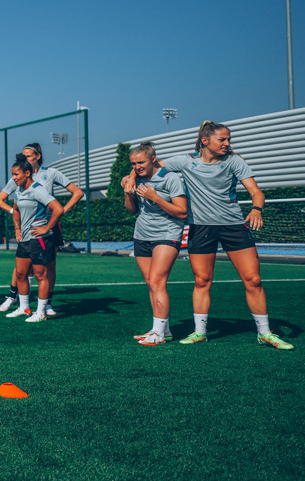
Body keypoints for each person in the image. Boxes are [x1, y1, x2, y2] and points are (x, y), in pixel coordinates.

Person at [122, 121, 293, 350]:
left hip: (233, 225)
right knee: (202, 281)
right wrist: (131, 177)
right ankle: (199, 332)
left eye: (228, 139)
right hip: (200, 228)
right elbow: (149, 164)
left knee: (253, 280)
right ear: (205, 141)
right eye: (222, 139)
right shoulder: (186, 161)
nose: (227, 143)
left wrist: (256, 209)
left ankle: (264, 333)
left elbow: (256, 192)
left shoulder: (234, 161)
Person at [0, 143, 83, 315]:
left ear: (38, 156)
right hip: (29, 230)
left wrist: (62, 210)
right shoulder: (19, 177)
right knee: (22, 268)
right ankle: (15, 298)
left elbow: (77, 193)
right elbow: (2, 201)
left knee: (49, 266)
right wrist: (16, 217)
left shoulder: (50, 173)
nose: (25, 158)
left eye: (28, 155)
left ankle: (46, 304)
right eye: (23, 155)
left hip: (47, 228)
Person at [122, 142, 187, 345]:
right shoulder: (136, 178)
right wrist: (128, 192)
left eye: (141, 162)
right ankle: (162, 330)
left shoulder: (171, 178)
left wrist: (155, 198)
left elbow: (182, 211)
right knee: (151, 282)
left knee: (158, 281)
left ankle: (158, 334)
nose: (137, 166)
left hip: (167, 234)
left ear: (153, 159)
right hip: (142, 234)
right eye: (133, 164)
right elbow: (132, 211)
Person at [6, 153, 64, 322]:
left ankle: (41, 313)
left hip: (39, 240)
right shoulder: (18, 191)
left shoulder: (38, 190)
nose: (14, 178)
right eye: (13, 174)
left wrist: (46, 227)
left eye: (16, 174)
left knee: (40, 276)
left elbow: (58, 209)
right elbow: (15, 210)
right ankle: (24, 308)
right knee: (21, 275)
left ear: (27, 173)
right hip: (24, 240)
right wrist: (17, 229)